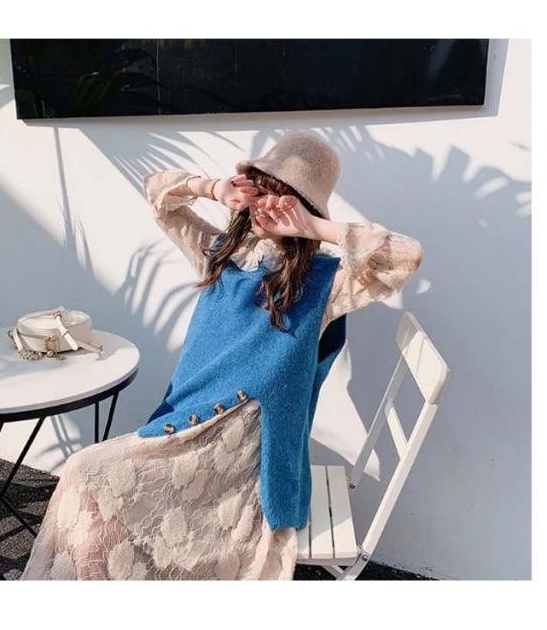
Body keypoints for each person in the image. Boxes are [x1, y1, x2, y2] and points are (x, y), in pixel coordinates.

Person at [21, 131, 423, 580]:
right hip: (188, 427)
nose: (264, 206)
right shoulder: (219, 255)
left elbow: (405, 256)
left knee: (85, 473)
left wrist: (313, 228)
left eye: (281, 198)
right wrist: (213, 188)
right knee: (87, 481)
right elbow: (159, 194)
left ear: (304, 208)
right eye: (258, 190)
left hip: (249, 459)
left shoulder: (327, 283)